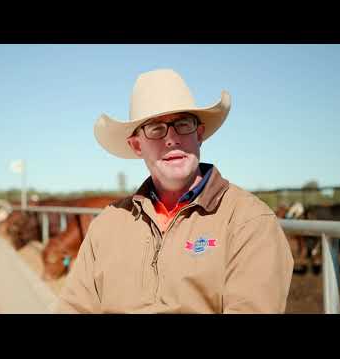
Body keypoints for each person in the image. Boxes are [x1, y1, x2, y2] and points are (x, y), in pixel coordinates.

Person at [54, 68, 294, 313]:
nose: (171, 139)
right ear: (137, 146)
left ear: (198, 134)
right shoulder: (108, 224)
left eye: (182, 124)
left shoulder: (247, 221)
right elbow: (74, 307)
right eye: (155, 129)